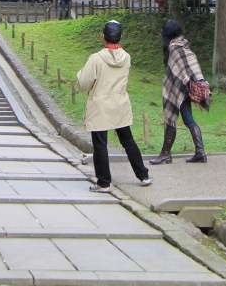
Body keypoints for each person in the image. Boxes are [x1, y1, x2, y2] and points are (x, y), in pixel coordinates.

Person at [77, 19, 152, 193]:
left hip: (100, 105)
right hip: (120, 104)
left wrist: (80, 74)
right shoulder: (127, 58)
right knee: (128, 141)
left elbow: (83, 84)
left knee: (100, 144)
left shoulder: (96, 59)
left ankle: (103, 182)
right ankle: (143, 175)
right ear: (121, 37)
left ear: (103, 37)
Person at [150, 19, 211, 166]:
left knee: (172, 118)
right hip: (186, 87)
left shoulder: (174, 48)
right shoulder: (183, 45)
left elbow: (181, 71)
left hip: (180, 89)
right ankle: (199, 152)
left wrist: (180, 83)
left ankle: (165, 154)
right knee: (188, 119)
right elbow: (190, 67)